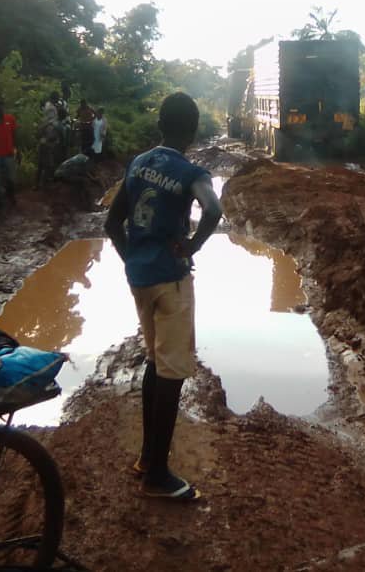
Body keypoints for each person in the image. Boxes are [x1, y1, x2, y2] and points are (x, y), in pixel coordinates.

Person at [105, 93, 222, 500]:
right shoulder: (190, 170)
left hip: (139, 277)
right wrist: (191, 248)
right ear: (191, 132)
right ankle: (157, 472)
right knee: (171, 372)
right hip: (171, 280)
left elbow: (111, 222)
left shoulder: (137, 164)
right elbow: (213, 210)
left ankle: (145, 457)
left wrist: (129, 260)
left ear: (159, 124)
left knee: (156, 362)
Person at [36, 111, 61, 190]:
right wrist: (47, 124)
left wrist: (53, 145)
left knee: (49, 166)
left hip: (49, 147)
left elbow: (57, 139)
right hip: (42, 146)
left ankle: (45, 184)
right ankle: (37, 184)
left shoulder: (55, 125)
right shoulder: (44, 124)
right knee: (40, 166)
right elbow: (39, 133)